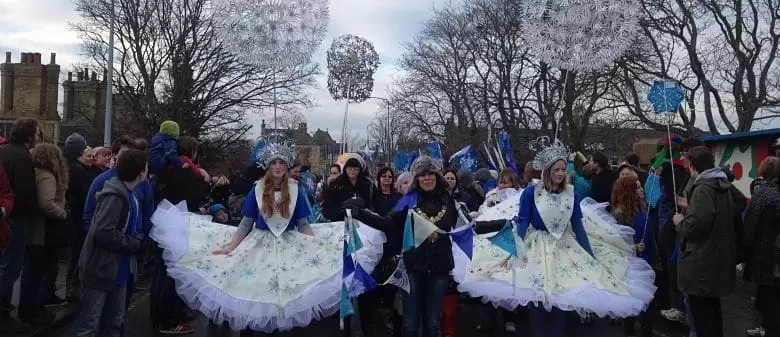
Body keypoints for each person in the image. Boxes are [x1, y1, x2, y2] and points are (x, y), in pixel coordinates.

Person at [149, 139, 384, 333]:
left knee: (287, 302)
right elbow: (246, 223)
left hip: (291, 246)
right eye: (274, 163)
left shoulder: (297, 190)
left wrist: (320, 246)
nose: (279, 166)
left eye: (282, 162)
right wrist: (230, 247)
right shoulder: (256, 190)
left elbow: (303, 223)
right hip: (259, 247)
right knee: (258, 299)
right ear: (268, 167)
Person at [453, 137, 655, 337]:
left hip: (565, 249)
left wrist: (591, 256)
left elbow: (578, 227)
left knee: (562, 300)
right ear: (547, 170)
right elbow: (523, 222)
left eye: (562, 169)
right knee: (537, 302)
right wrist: (513, 251)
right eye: (556, 169)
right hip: (536, 249)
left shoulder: (572, 194)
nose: (560, 173)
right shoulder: (531, 193)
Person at [351, 156, 459, 337]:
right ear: (416, 178)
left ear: (437, 176)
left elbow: (467, 227)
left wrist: (501, 224)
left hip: (439, 267)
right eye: (422, 174)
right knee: (410, 324)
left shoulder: (448, 200)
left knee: (432, 323)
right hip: (413, 267)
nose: (427, 178)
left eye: (430, 173)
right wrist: (360, 214)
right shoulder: (408, 200)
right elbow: (387, 222)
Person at [70, 149, 150, 337]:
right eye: (146, 166)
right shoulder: (115, 195)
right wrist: (133, 245)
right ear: (139, 171)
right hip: (101, 267)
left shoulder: (131, 195)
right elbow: (103, 231)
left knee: (114, 322)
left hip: (119, 269)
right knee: (88, 324)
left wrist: (139, 239)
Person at [672, 146, 735, 337]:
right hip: (714, 258)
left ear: (693, 165)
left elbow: (696, 226)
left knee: (702, 319)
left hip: (701, 262)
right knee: (712, 312)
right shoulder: (720, 185)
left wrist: (680, 222)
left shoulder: (703, 188)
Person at [18, 143, 69, 324]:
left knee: (31, 272)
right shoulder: (47, 177)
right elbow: (46, 203)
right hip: (45, 230)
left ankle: (28, 309)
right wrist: (62, 213)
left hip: (36, 229)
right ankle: (34, 311)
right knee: (37, 272)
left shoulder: (35, 172)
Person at [0, 117, 40, 333]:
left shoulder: (4, 151)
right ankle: (3, 312)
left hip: (5, 216)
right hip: (16, 219)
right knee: (10, 267)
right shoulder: (23, 157)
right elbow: (24, 193)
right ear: (29, 135)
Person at [743, 157, 780, 337]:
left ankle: (769, 329)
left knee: (767, 298)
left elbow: (751, 225)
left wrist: (745, 250)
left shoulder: (763, 194)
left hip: (767, 254)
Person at [64, 133, 93, 301]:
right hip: (77, 216)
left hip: (72, 215)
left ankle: (71, 287)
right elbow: (83, 195)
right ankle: (73, 288)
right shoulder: (78, 170)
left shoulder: (68, 166)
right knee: (78, 254)